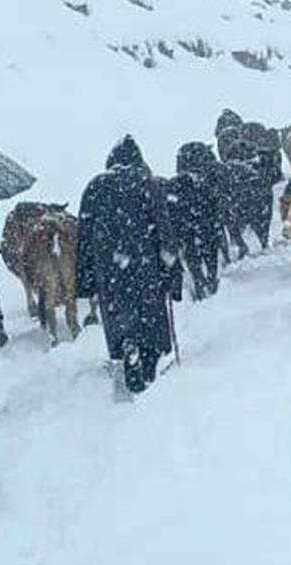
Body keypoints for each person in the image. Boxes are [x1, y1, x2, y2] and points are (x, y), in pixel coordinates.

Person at [76, 135, 181, 397]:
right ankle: (149, 365)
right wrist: (172, 272)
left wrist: (85, 279)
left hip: (109, 270)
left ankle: (128, 346)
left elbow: (84, 237)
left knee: (119, 317)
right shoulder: (148, 184)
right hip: (146, 267)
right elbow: (164, 231)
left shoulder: (94, 188)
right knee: (150, 319)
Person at [166, 142, 223, 300]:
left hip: (188, 227)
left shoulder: (175, 185)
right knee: (210, 251)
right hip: (204, 225)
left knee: (192, 254)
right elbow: (214, 205)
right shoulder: (208, 184)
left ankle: (200, 281)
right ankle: (209, 280)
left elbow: (172, 210)